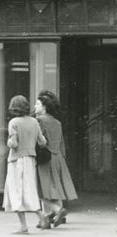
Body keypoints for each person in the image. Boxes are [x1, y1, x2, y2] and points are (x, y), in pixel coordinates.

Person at [3, 95, 48, 233]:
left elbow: (14, 143)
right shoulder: (34, 122)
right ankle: (41, 216)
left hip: (16, 160)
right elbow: (43, 142)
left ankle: (23, 226)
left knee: (16, 191)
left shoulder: (13, 122)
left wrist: (9, 142)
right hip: (30, 159)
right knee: (29, 189)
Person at [35, 90, 78, 227]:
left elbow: (40, 141)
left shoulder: (39, 121)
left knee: (42, 189)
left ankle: (52, 214)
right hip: (57, 157)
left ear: (44, 107)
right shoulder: (57, 123)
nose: (35, 107)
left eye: (37, 104)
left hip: (45, 158)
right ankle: (52, 217)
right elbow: (61, 143)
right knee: (55, 187)